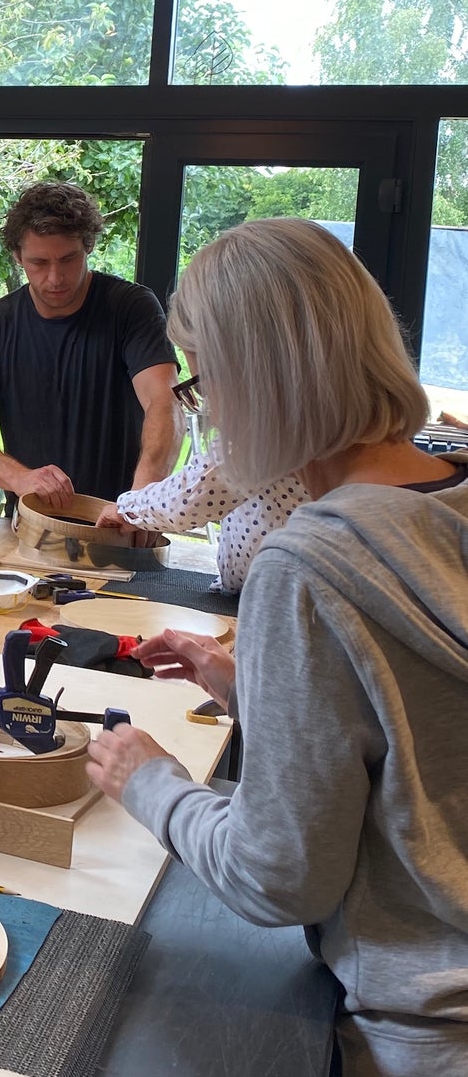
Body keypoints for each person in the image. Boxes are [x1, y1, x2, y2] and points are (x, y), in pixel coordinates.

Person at [86, 218, 468, 1075]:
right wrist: (248, 686)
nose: (206, 406)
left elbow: (276, 877)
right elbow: (424, 744)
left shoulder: (311, 560)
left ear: (256, 380)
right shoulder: (450, 503)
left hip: (421, 1026)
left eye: (205, 379)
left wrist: (145, 779)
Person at [0, 181, 179, 508]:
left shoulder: (131, 308)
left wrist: (143, 497)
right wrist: (20, 478)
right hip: (30, 527)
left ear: (89, 246)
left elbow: (164, 403)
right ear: (17, 256)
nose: (55, 278)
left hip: (120, 521)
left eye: (69, 259)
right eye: (39, 263)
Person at [95, 358, 309, 595]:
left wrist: (127, 509)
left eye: (203, 387)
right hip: (256, 594)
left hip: (281, 598)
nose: (211, 410)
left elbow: (193, 494)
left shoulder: (264, 431)